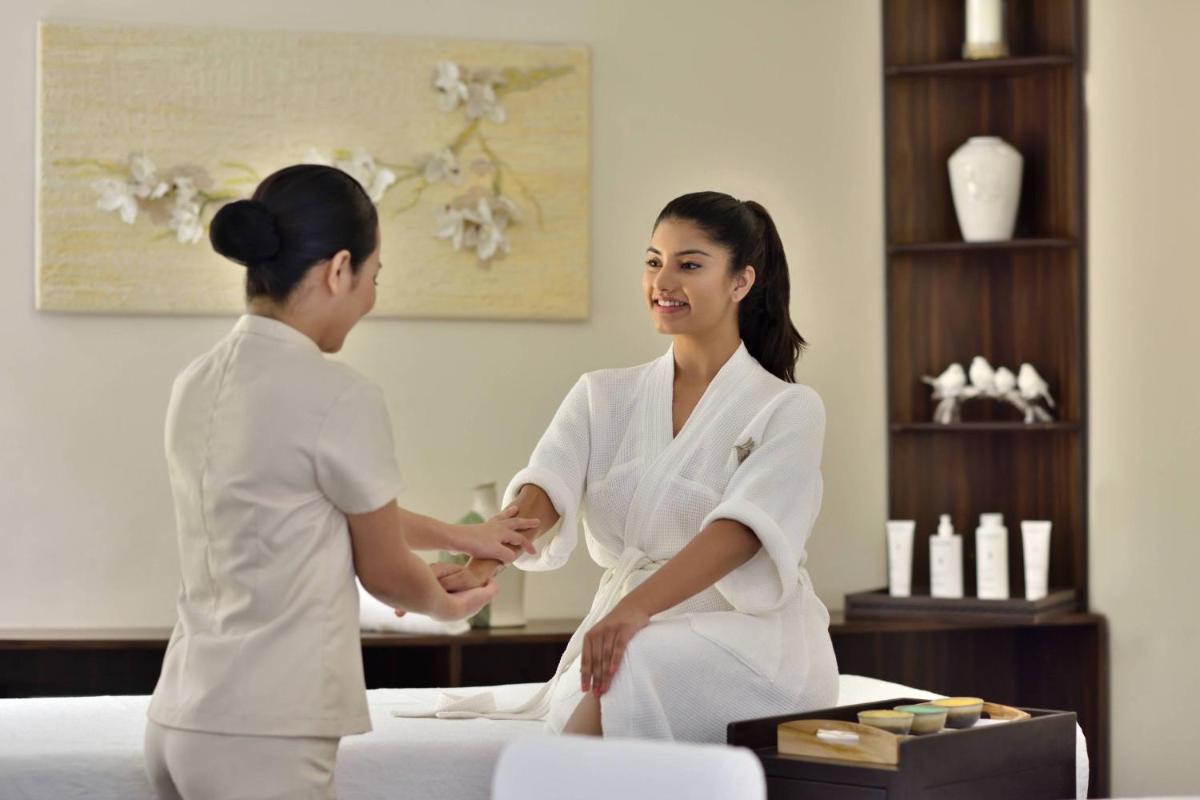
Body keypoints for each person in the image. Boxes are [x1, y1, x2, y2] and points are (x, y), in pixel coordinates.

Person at [144, 164, 537, 800]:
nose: (370, 300)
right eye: (373, 279)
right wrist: (449, 604)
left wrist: (472, 536)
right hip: (267, 730)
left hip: (180, 714)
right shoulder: (336, 394)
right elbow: (384, 569)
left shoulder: (198, 380)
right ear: (339, 270)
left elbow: (327, 504)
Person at [427, 190, 838, 741]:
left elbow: (742, 532)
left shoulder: (788, 408)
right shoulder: (602, 395)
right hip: (634, 632)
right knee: (624, 663)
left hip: (753, 648)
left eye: (689, 265)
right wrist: (481, 566)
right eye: (653, 262)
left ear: (741, 281)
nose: (663, 282)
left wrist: (633, 612)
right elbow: (546, 488)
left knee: (633, 659)